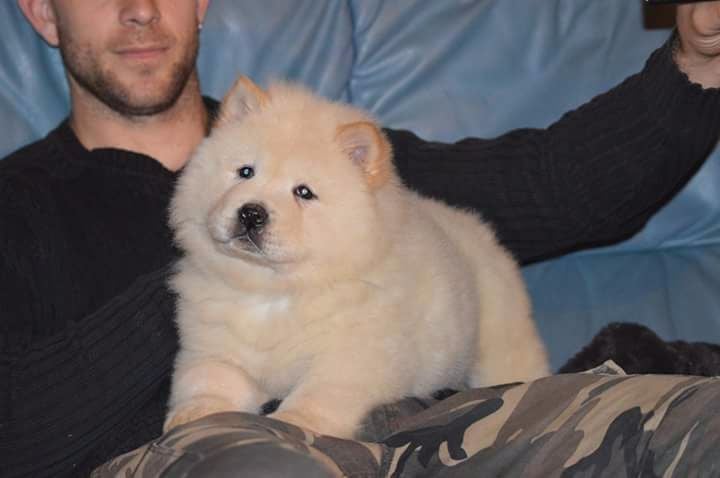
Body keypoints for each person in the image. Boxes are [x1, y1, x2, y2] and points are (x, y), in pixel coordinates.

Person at [2, 0, 720, 477]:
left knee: (687, 421)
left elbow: (550, 184)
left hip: (433, 436)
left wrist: (697, 59)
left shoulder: (334, 154)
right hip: (211, 453)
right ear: (41, 10)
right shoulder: (19, 209)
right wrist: (196, 284)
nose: (140, 9)